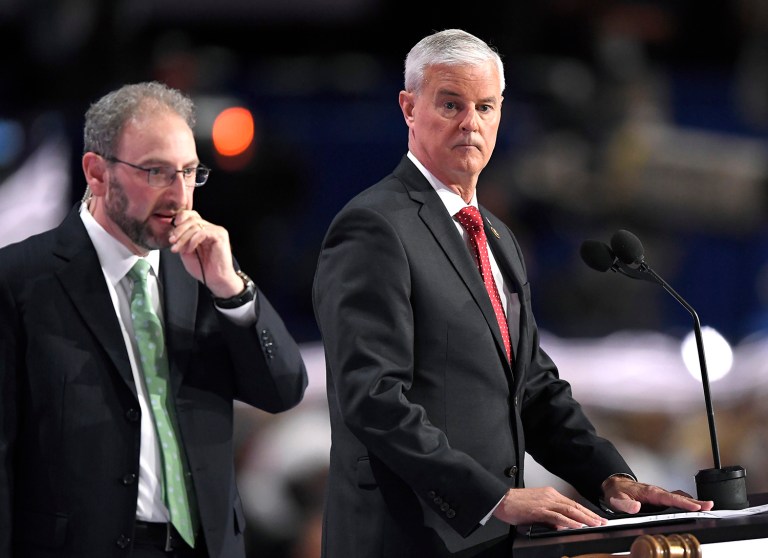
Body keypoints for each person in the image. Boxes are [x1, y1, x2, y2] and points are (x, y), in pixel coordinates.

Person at [312, 29, 713, 558]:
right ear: (409, 108)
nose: (470, 123)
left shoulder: (496, 236)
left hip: (495, 541)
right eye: (450, 104)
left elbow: (532, 386)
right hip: (405, 538)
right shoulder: (374, 227)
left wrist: (609, 476)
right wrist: (493, 497)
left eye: (485, 107)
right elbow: (373, 397)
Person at [0, 81, 308, 558]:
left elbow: (282, 390)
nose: (180, 194)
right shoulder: (20, 280)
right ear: (97, 173)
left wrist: (233, 291)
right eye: (156, 172)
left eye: (189, 172)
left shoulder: (207, 272)